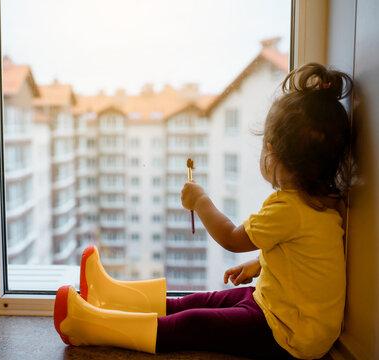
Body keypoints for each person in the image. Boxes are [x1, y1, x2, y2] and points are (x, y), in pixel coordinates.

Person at [53, 62, 352, 359]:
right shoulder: (321, 205)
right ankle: (110, 296)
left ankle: (90, 326)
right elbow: (303, 260)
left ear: (274, 154)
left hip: (287, 335)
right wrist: (259, 265)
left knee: (194, 322)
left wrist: (201, 200)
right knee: (200, 300)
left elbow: (232, 238)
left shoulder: (289, 207)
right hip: (284, 311)